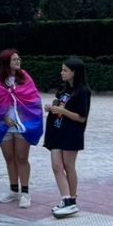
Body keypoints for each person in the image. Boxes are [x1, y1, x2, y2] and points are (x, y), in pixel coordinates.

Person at [0, 48, 43, 208]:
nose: (18, 61)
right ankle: (13, 190)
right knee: (9, 158)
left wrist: (22, 116)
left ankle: (25, 192)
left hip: (22, 125)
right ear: (6, 62)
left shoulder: (25, 78)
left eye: (18, 59)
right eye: (14, 59)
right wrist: (4, 117)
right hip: (4, 125)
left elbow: (33, 99)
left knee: (22, 158)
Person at [43, 58, 91, 217]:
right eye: (62, 69)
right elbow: (59, 108)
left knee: (68, 166)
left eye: (65, 70)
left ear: (74, 72)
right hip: (56, 131)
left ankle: (71, 199)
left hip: (71, 133)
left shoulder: (83, 91)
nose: (61, 73)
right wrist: (51, 108)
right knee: (56, 166)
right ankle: (66, 199)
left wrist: (62, 111)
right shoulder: (63, 91)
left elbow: (81, 117)